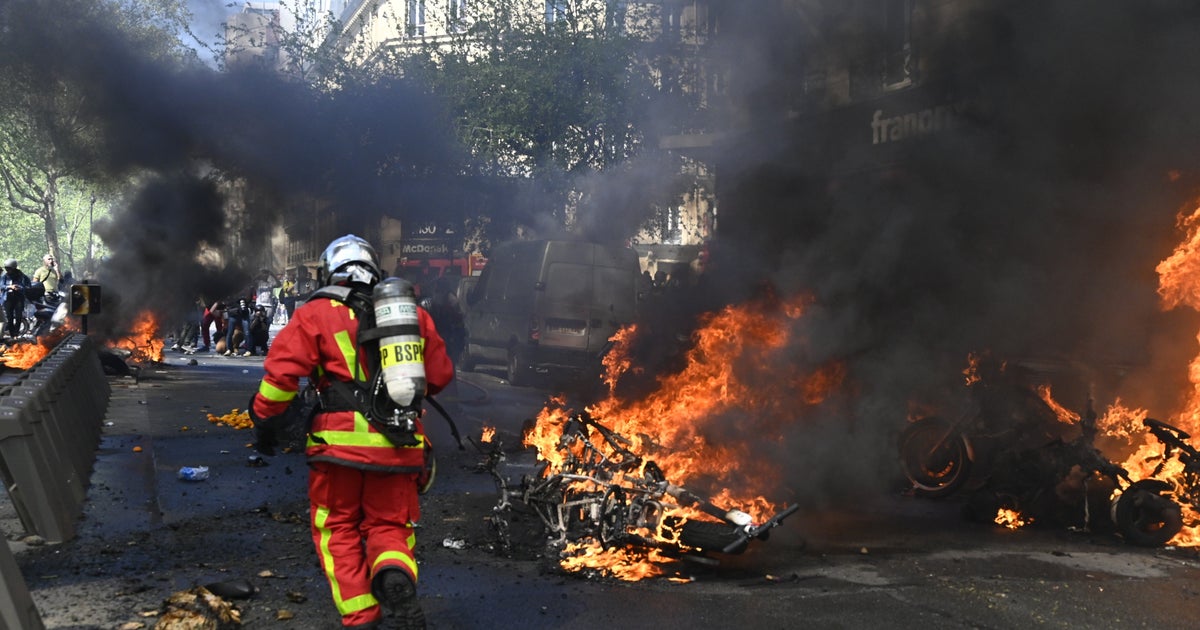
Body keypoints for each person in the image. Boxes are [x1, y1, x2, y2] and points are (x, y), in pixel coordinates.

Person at [249, 234, 453, 630]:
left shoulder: (315, 313)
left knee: (337, 527)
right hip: (399, 445)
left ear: (330, 271)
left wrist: (264, 418)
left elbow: (280, 379)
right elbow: (440, 376)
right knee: (390, 526)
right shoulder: (408, 314)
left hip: (337, 448)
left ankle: (361, 617)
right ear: (375, 270)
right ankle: (394, 573)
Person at [1, 259, 31, 340]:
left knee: (18, 317)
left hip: (19, 298)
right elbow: (1, 286)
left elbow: (28, 286)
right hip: (8, 299)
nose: (8, 270)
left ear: (14, 268)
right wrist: (9, 287)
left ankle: (16, 333)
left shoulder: (22, 276)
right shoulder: (4, 277)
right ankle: (12, 335)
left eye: (9, 268)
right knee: (9, 318)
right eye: (6, 269)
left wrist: (20, 288)